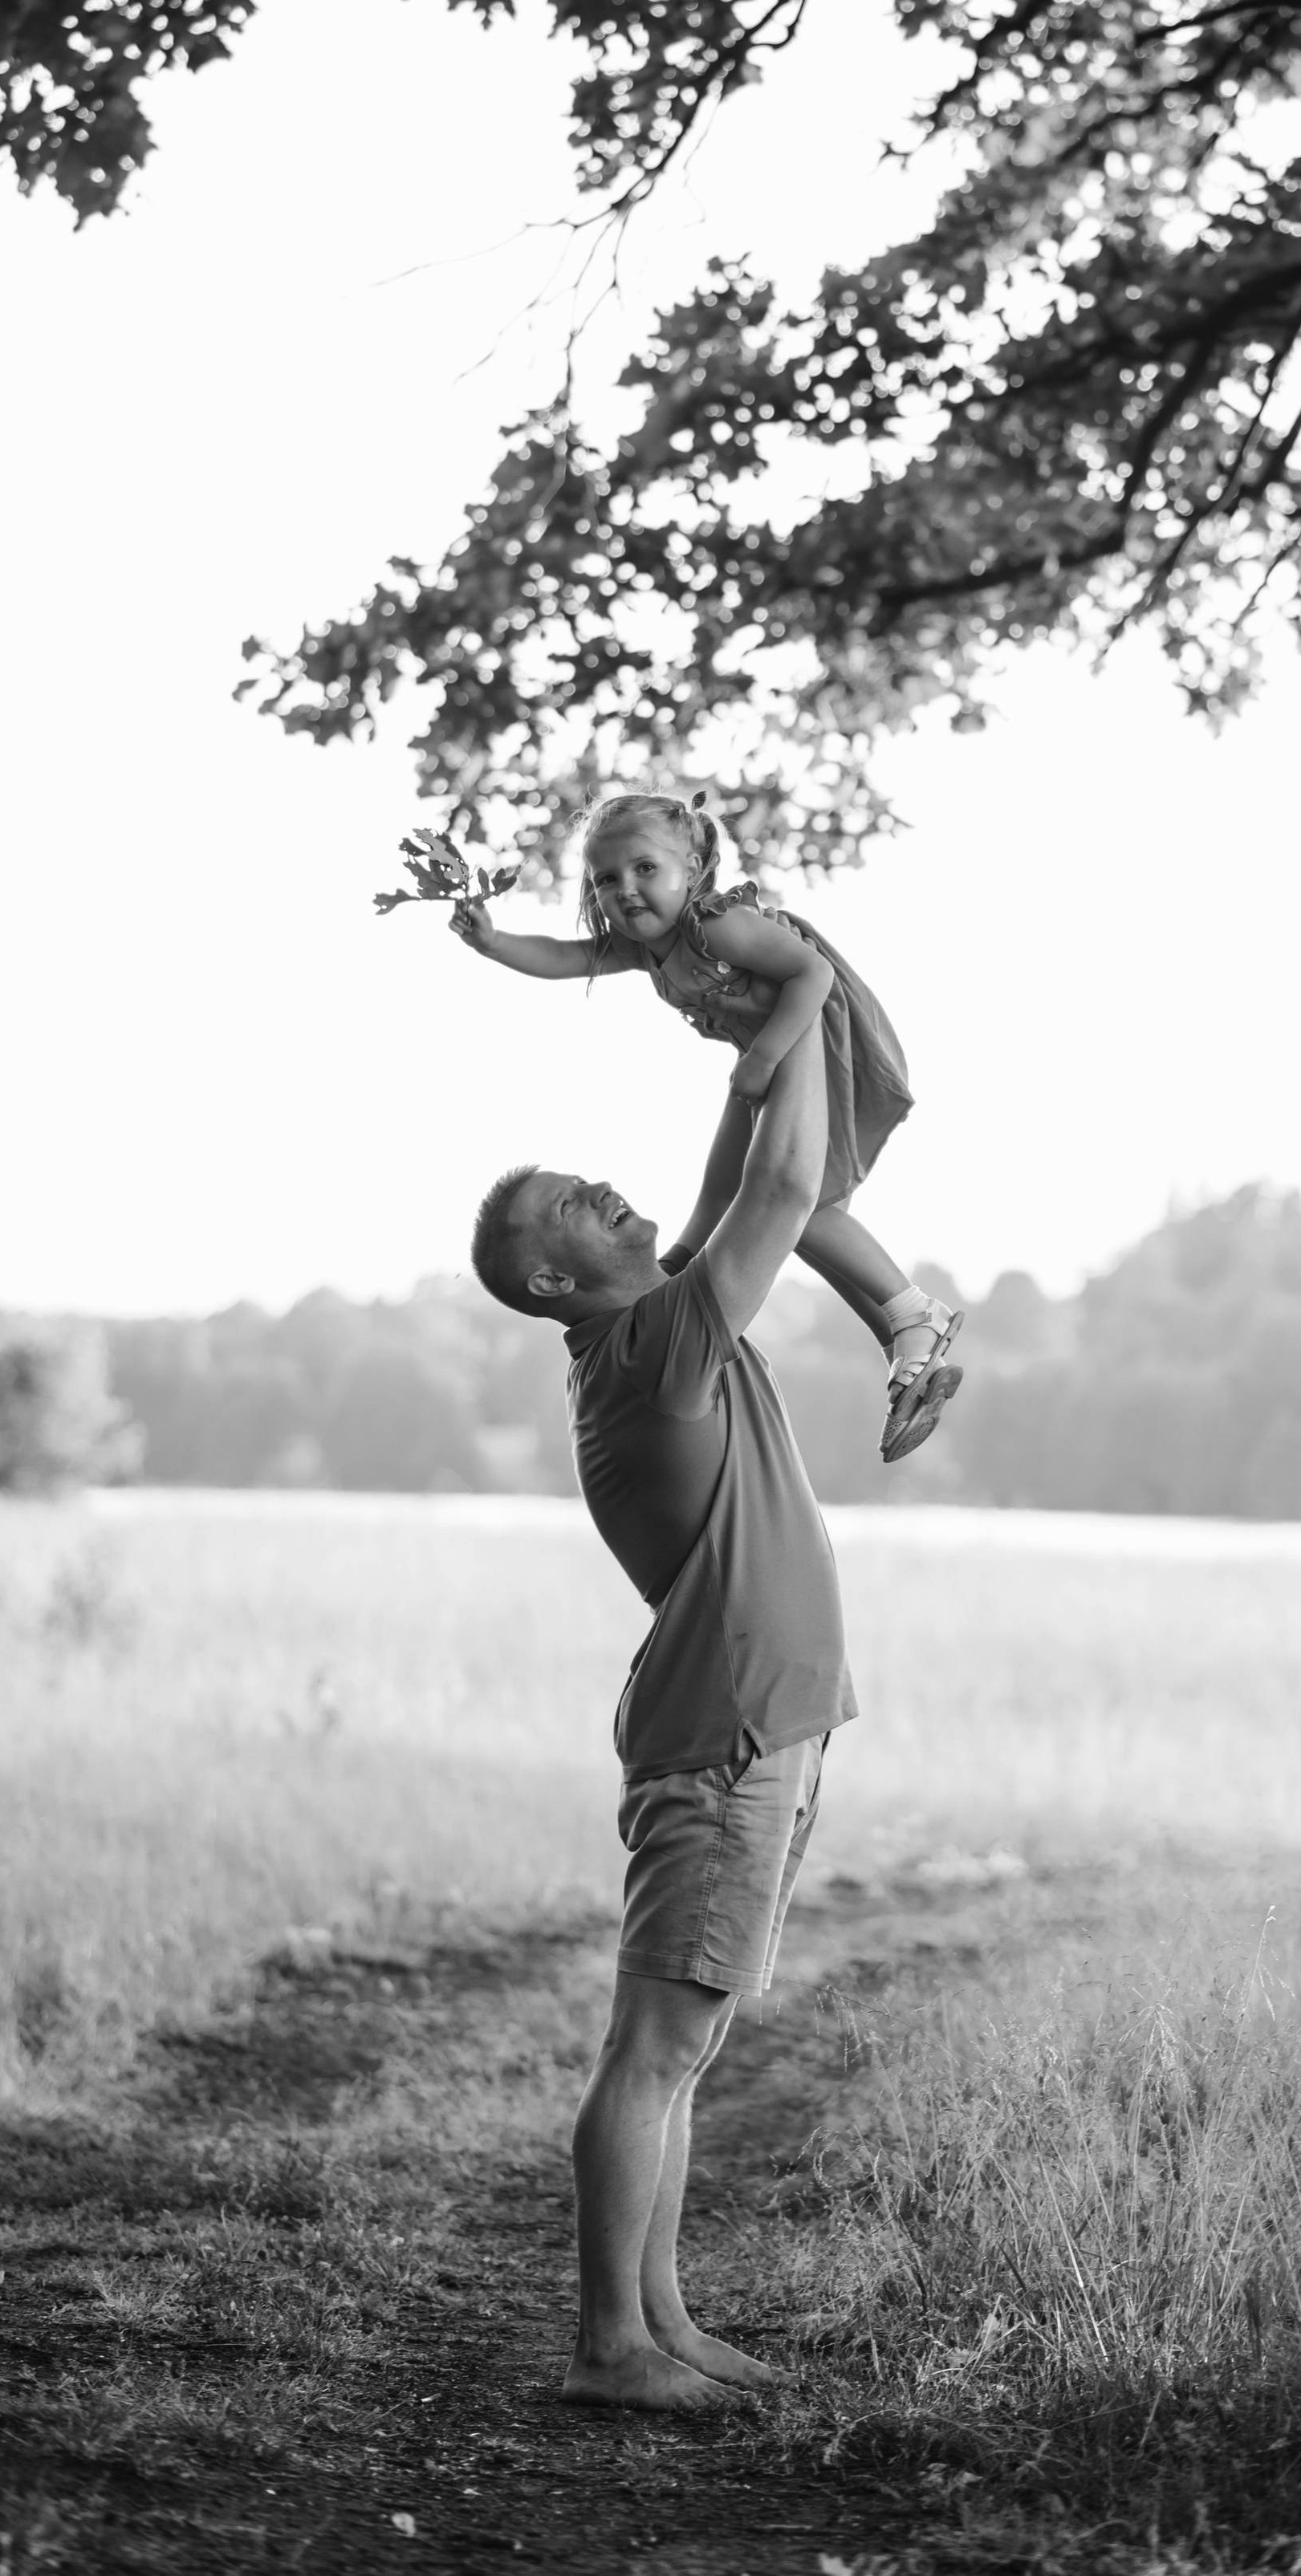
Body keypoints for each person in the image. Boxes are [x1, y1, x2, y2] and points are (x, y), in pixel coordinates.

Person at [467, 1023, 852, 2414]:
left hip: (760, 1728)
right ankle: (606, 2349)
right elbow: (787, 1180)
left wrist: (756, 1046)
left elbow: (729, 1171)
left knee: (682, 2048)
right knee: (655, 2047)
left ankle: (660, 2317)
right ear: (557, 1276)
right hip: (727, 1737)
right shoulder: (655, 1339)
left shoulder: (652, 1314)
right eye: (580, 1203)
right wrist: (802, 996)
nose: (613, 1196)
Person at [451, 790, 962, 1461]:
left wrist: (768, 1056)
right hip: (767, 1055)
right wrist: (491, 943)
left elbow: (813, 972)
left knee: (798, 1207)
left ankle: (913, 1314)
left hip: (811, 1038)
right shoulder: (647, 950)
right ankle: (904, 1335)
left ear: (692, 869)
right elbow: (563, 957)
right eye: (606, 879)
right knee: (784, 1213)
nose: (625, 891)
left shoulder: (712, 929)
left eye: (644, 869)